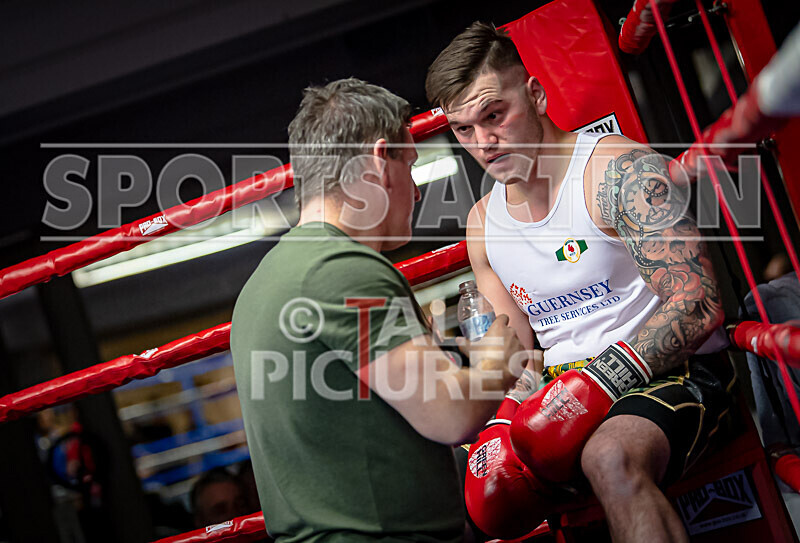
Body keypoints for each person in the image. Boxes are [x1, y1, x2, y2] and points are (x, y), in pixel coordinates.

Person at [425, 23, 735, 542]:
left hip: (674, 374)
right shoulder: (483, 223)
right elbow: (517, 351)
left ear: (536, 94)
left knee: (609, 456)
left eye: (493, 115)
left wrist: (599, 382)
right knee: (462, 493)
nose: (483, 143)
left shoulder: (617, 173)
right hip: (559, 397)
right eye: (463, 130)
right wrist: (503, 419)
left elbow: (698, 304)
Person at [231, 78, 530, 542]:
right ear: (378, 160)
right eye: (410, 166)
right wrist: (497, 357)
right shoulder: (341, 269)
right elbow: (450, 415)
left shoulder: (267, 279)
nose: (415, 190)